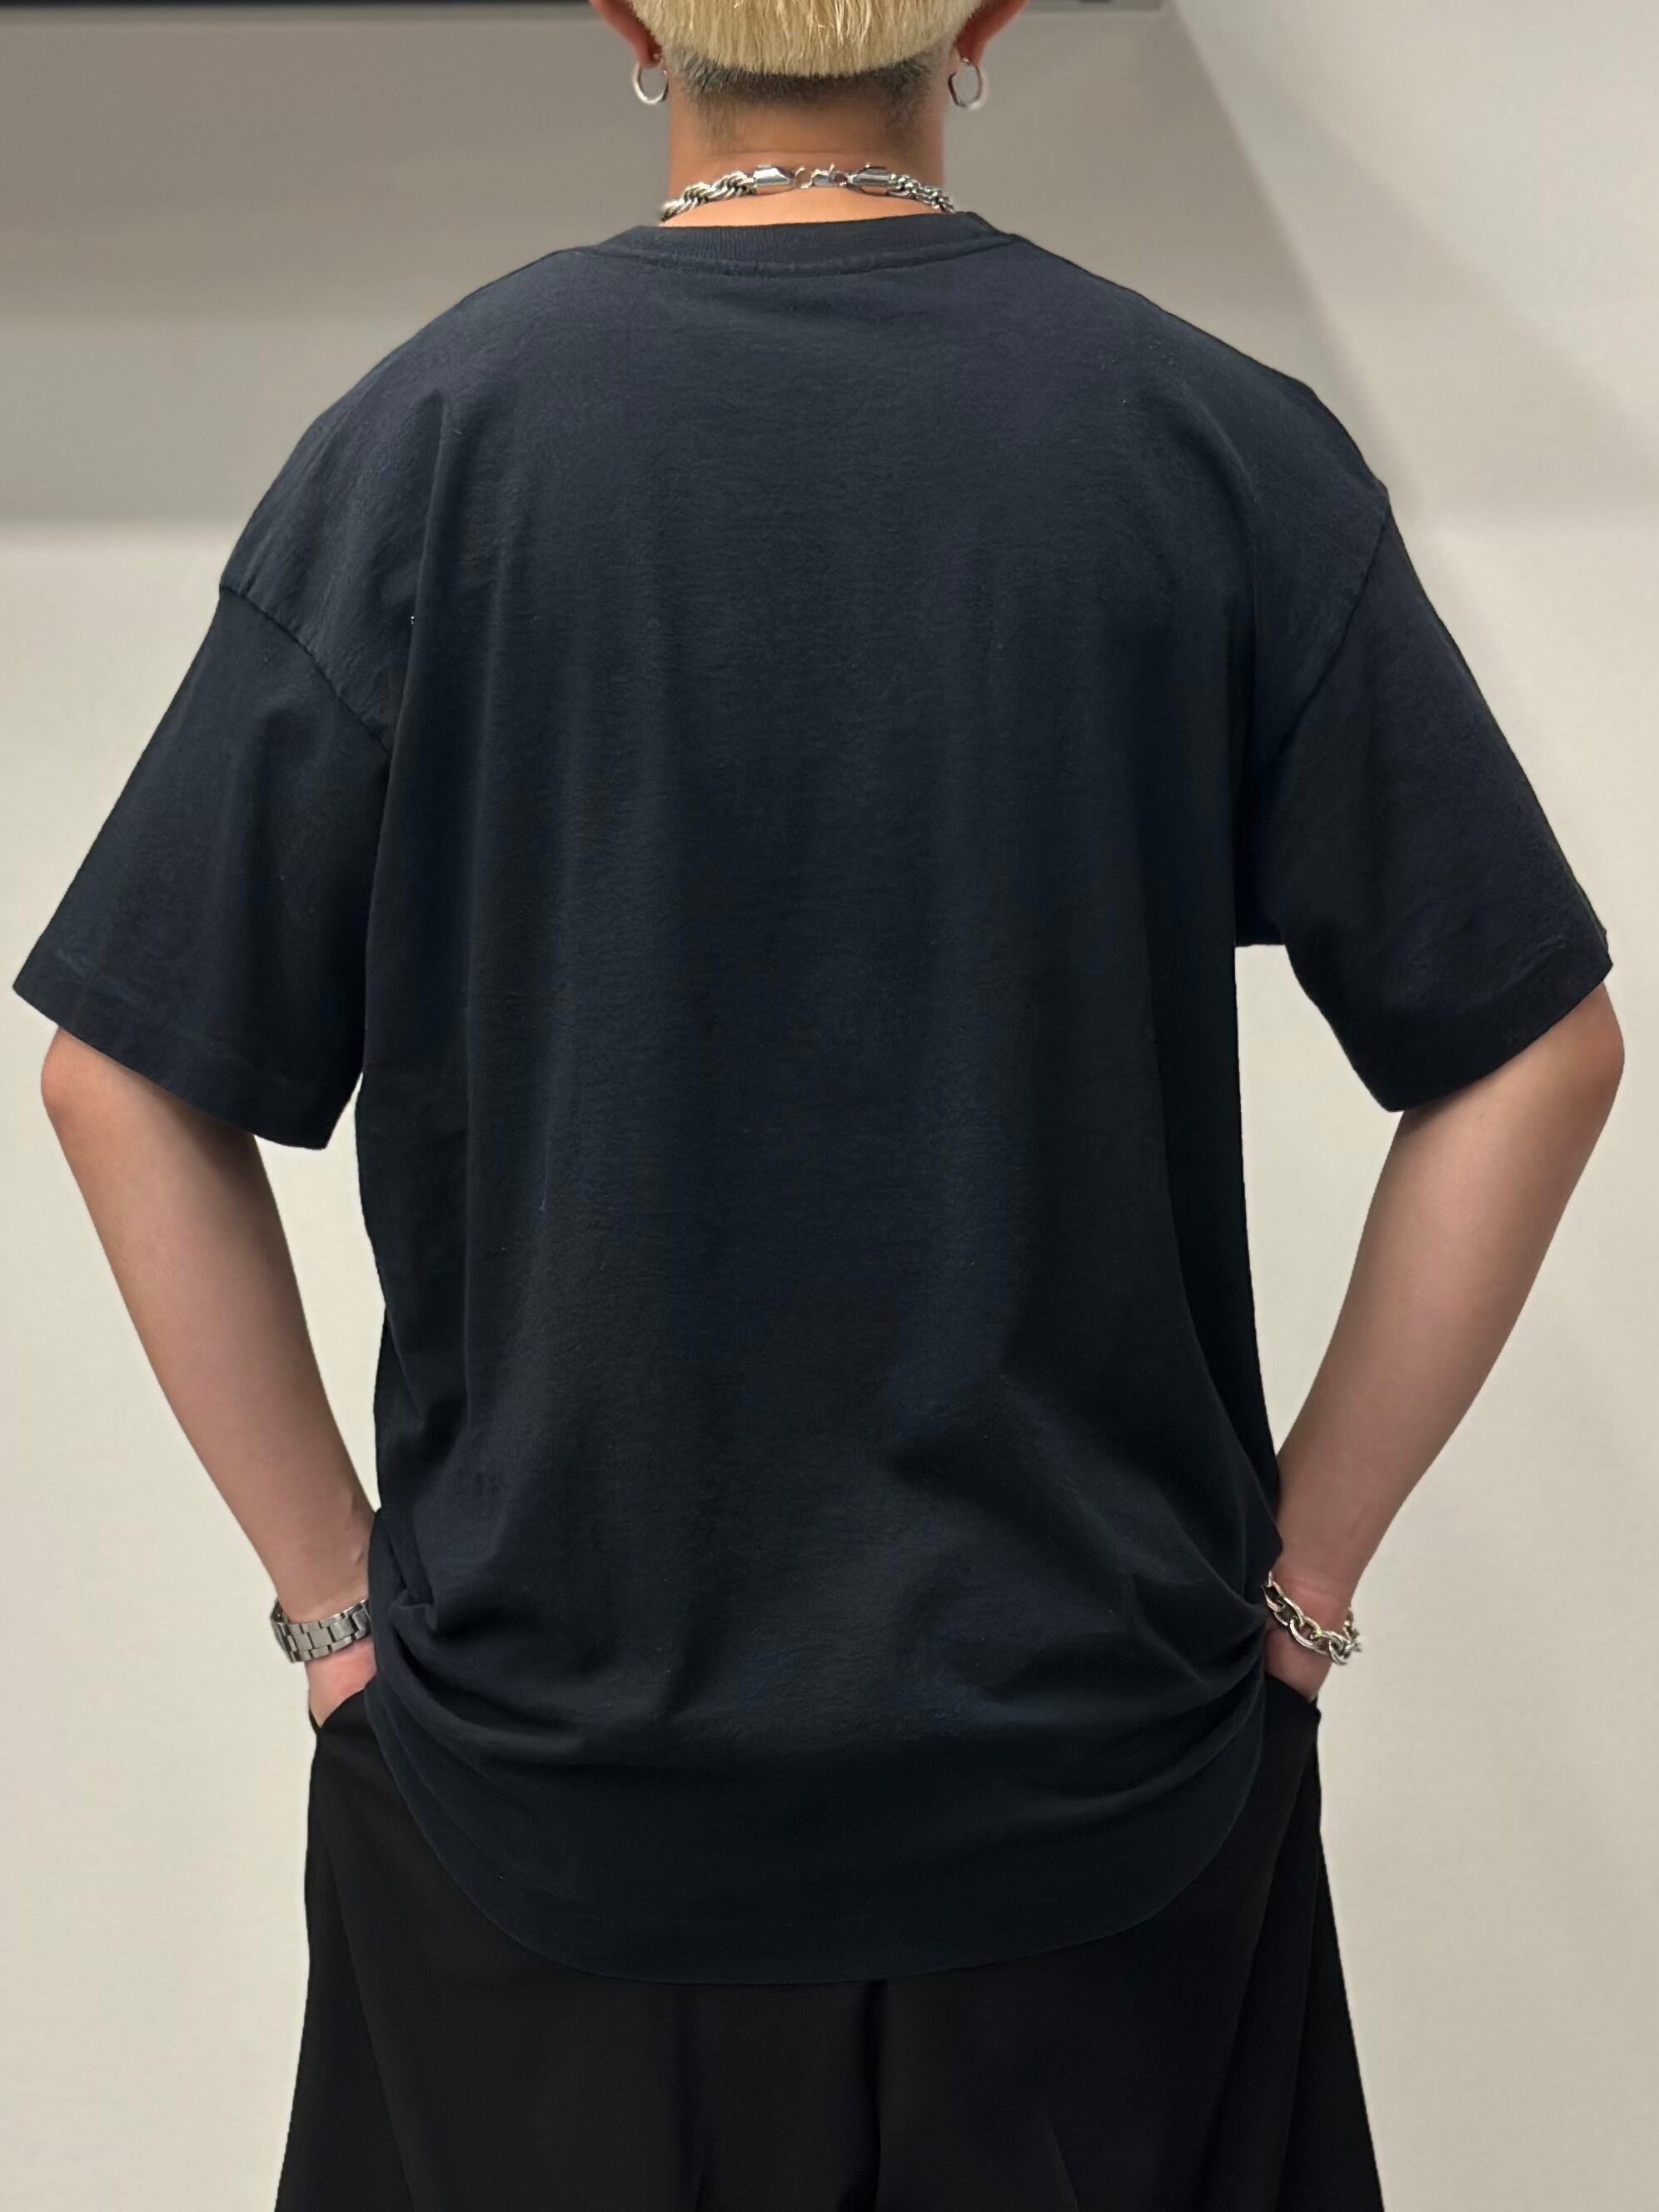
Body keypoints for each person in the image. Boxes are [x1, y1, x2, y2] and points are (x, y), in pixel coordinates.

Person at [13, 2, 1622, 2205]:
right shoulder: (1208, 445)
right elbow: (1535, 1042)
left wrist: (335, 1613)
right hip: (1104, 1821)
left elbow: (118, 1070)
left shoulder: (433, 448)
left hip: (538, 1826)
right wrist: (1305, 1581)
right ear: (989, 15)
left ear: (625, 11)